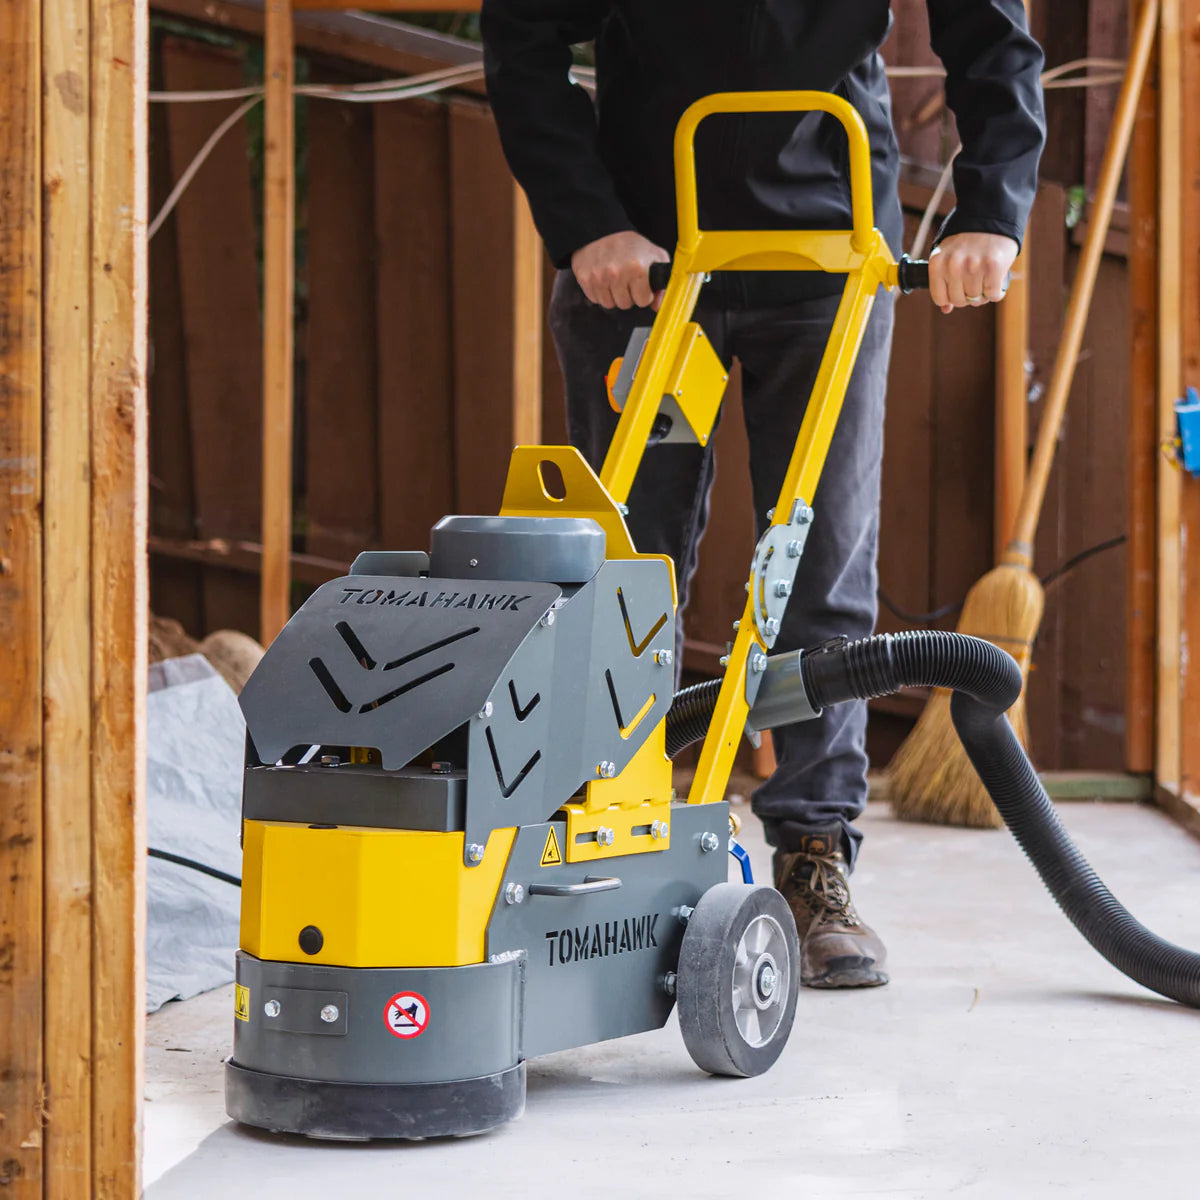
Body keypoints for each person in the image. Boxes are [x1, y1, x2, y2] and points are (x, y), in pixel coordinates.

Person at [481, 1, 1045, 988]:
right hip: (641, 263)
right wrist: (588, 224)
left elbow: (993, 36)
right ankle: (609, 838)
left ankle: (812, 854)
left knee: (819, 559)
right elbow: (521, 35)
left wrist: (993, 212)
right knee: (623, 563)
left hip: (828, 245)